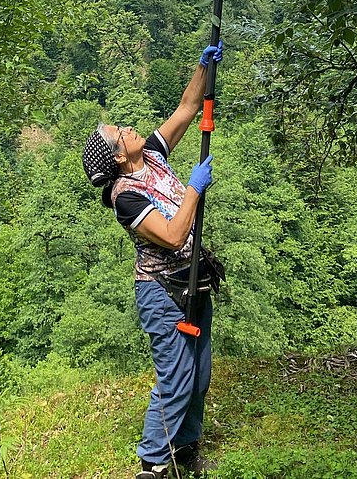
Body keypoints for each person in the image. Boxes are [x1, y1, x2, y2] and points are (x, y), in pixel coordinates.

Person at [82, 42, 223, 479]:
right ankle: (152, 464)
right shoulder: (125, 198)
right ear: (119, 156)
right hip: (163, 295)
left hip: (192, 279)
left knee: (198, 377)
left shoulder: (155, 156)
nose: (128, 129)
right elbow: (173, 233)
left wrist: (202, 68)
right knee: (176, 379)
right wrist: (195, 188)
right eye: (120, 133)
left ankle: (186, 450)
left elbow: (187, 107)